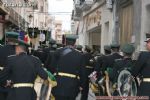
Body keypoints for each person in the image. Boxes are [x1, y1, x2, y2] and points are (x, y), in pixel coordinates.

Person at [51, 34, 86, 100]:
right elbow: (83, 73)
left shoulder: (57, 52)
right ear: (74, 43)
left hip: (58, 84)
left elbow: (51, 68)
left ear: (65, 42)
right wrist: (81, 85)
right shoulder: (80, 55)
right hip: (73, 86)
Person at [0, 31, 19, 100]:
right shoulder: (19, 51)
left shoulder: (1, 49)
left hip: (1, 78)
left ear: (7, 39)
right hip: (14, 80)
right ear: (17, 40)